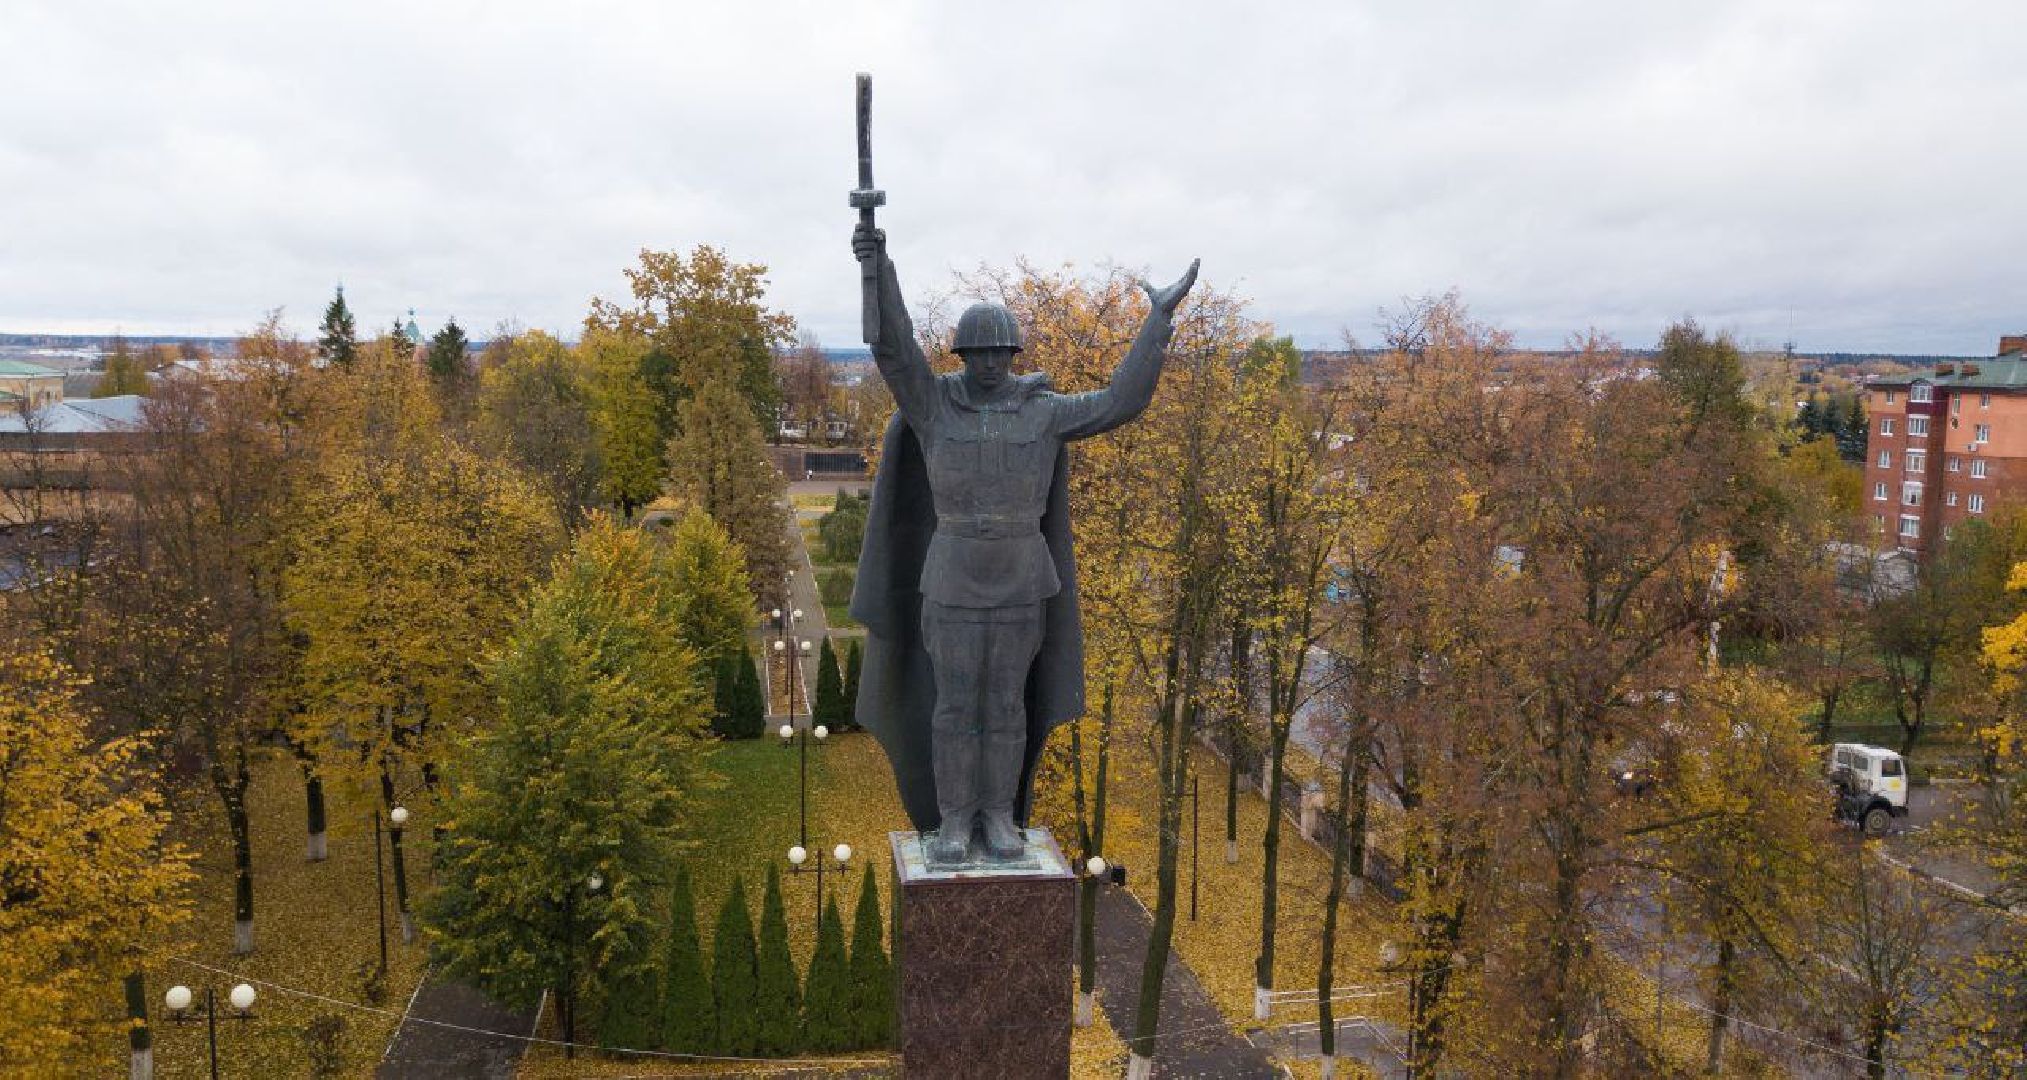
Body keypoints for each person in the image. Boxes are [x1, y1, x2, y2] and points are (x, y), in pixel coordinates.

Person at [849, 221, 1197, 861]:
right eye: (975, 354)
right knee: (955, 708)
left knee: (1006, 706)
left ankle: (998, 818)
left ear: (1013, 354)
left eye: (997, 352)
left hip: (1020, 584)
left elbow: (1123, 400)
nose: (986, 363)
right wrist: (878, 264)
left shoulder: (1046, 412)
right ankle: (954, 821)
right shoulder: (934, 407)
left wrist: (1158, 320)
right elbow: (893, 349)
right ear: (961, 357)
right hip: (951, 581)